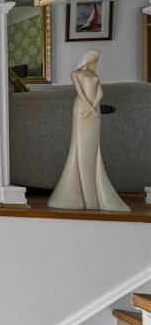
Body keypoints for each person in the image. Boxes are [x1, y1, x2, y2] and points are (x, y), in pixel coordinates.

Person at [47, 50, 130, 212]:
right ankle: (81, 196)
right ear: (86, 58)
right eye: (93, 56)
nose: (95, 59)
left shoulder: (94, 74)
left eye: (97, 57)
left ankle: (94, 197)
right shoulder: (76, 74)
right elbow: (81, 93)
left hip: (94, 111)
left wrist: (95, 106)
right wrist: (90, 107)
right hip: (82, 110)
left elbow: (99, 92)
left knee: (93, 147)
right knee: (80, 145)